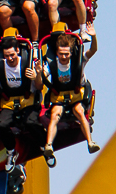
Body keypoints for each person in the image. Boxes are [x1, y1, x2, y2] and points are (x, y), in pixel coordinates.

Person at [42, 24, 99, 159]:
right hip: (59, 96)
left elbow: (93, 50)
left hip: (76, 96)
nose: (64, 57)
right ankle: (49, 145)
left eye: (66, 54)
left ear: (71, 53)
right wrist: (39, 72)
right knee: (55, 114)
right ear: (57, 53)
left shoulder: (78, 60)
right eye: (61, 54)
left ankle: (90, 143)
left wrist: (94, 37)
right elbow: (43, 74)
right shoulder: (52, 63)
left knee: (79, 111)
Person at [0, 34, 43, 172]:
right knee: (1, 124)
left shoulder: (27, 63)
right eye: (7, 56)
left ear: (17, 51)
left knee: (31, 122)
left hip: (27, 99)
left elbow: (39, 87)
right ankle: (11, 151)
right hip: (9, 101)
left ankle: (44, 144)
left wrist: (37, 77)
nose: (10, 58)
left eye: (12, 55)